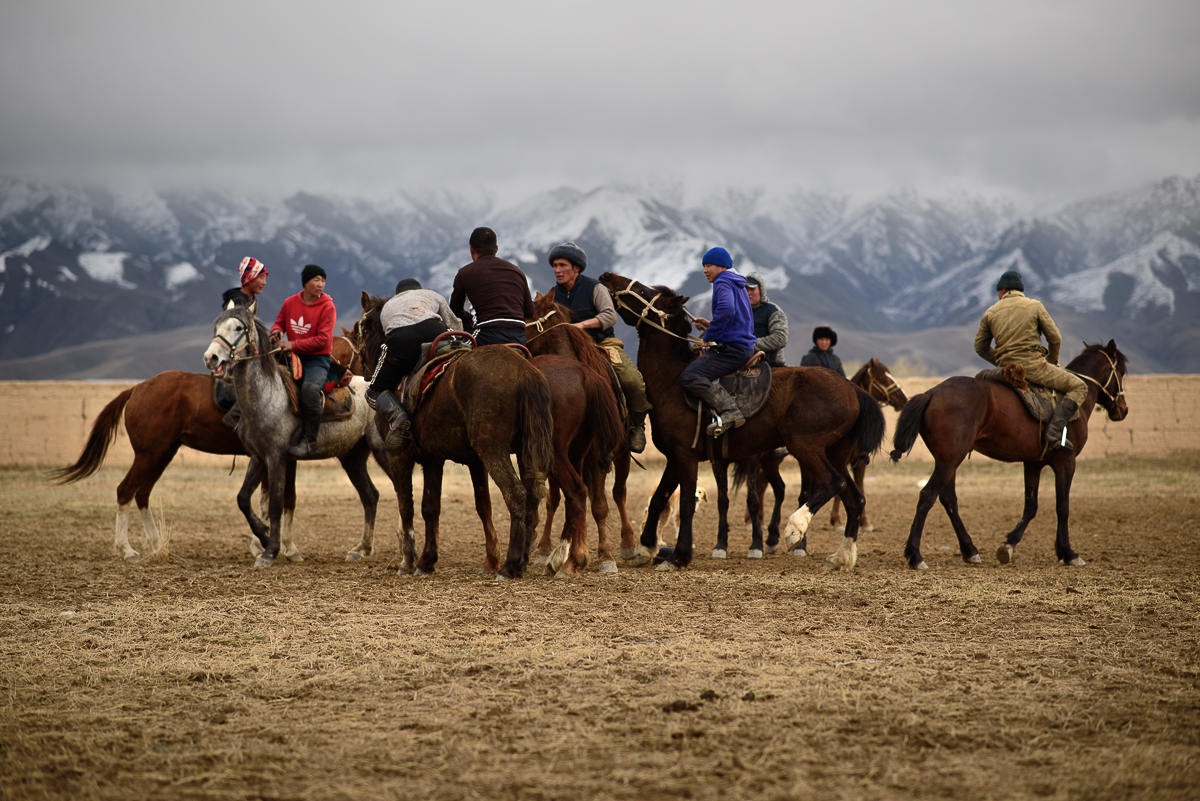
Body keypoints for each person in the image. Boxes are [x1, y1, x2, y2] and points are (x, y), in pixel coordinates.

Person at [547, 241, 652, 453]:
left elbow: (609, 315)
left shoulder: (595, 288)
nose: (557, 270)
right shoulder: (551, 294)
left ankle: (637, 426)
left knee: (632, 381)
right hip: (566, 348)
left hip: (601, 343)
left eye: (562, 265)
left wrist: (581, 326)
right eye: (555, 266)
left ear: (576, 268)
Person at [975, 269, 1087, 450]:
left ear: (1002, 291)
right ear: (1019, 290)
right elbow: (1055, 338)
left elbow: (979, 346)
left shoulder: (990, 312)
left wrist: (1002, 362)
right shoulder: (1035, 306)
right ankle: (1054, 431)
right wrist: (1051, 362)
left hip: (1004, 371)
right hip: (1034, 368)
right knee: (1079, 386)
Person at [366, 278, 462, 447]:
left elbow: (385, 334)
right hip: (435, 333)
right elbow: (454, 323)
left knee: (373, 391)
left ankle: (398, 416)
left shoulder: (388, 305)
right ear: (420, 290)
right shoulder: (432, 295)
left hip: (402, 340)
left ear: (397, 294)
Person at [683, 247, 757, 437]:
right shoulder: (736, 282)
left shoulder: (722, 281)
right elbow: (735, 316)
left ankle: (730, 411)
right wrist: (710, 325)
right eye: (703, 266)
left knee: (689, 376)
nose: (705, 270)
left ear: (722, 267)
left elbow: (726, 310)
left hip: (732, 350)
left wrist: (708, 338)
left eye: (709, 265)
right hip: (742, 346)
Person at [270, 264, 337, 458]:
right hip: (291, 356)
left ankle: (310, 442)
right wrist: (276, 332)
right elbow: (280, 322)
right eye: (316, 280)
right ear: (306, 282)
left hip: (317, 359)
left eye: (323, 280)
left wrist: (292, 345)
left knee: (309, 391)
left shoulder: (328, 306)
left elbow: (323, 340)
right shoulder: (290, 302)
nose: (321, 284)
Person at [450, 227, 535, 347]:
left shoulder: (465, 273)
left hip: (486, 335)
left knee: (450, 351)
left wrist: (469, 319)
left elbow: (454, 311)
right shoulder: (517, 271)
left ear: (471, 249)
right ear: (496, 249)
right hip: (518, 338)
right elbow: (529, 311)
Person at [219, 257, 269, 430]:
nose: (264, 283)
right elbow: (231, 334)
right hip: (234, 358)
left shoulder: (248, 301)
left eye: (265, 278)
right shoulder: (237, 304)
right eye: (261, 278)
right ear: (249, 279)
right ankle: (234, 416)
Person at [745, 272, 788, 367]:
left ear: (761, 290)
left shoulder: (773, 311)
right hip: (744, 361)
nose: (748, 293)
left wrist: (749, 344)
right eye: (745, 289)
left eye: (752, 288)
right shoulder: (738, 312)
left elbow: (780, 338)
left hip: (770, 364)